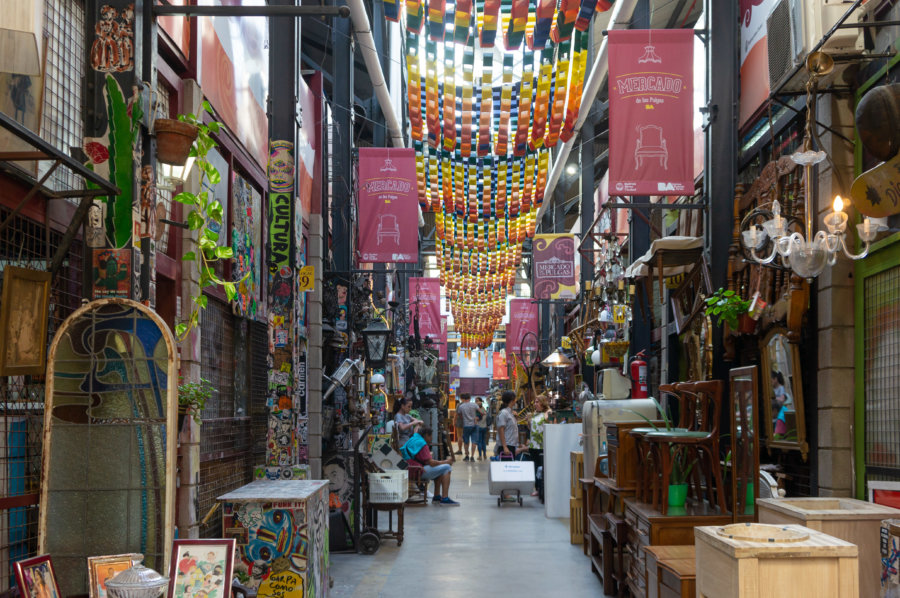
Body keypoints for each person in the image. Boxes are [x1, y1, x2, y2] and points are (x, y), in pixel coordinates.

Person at [401, 427, 460, 506]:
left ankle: (436, 497)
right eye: (430, 436)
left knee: (440, 469)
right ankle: (445, 498)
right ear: (426, 435)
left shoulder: (414, 439)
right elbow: (431, 462)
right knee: (447, 467)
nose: (431, 438)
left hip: (410, 469)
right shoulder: (421, 443)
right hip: (417, 471)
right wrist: (446, 462)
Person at [528, 395, 553, 497]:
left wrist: (548, 414)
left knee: (541, 467)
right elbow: (531, 429)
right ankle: (537, 488)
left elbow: (550, 424)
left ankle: (542, 489)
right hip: (533, 445)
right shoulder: (535, 414)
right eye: (535, 402)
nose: (535, 404)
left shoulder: (548, 412)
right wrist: (528, 421)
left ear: (543, 403)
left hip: (542, 445)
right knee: (534, 468)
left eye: (537, 402)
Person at [496, 390, 524, 457]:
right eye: (515, 398)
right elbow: (501, 430)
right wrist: (505, 447)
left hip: (512, 445)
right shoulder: (504, 413)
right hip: (506, 445)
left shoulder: (510, 413)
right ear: (512, 400)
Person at [456, 393, 479, 461]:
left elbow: (458, 414)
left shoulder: (460, 406)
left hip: (465, 425)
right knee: (474, 442)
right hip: (474, 425)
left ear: (462, 398)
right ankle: (472, 457)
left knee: (466, 441)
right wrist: (477, 417)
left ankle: (466, 456)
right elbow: (482, 412)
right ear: (470, 398)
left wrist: (463, 418)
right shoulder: (474, 405)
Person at [771, 370, 793, 436]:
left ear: (775, 379)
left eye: (771, 381)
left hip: (778, 407)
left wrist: (775, 399)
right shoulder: (772, 389)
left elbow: (782, 399)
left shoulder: (781, 388)